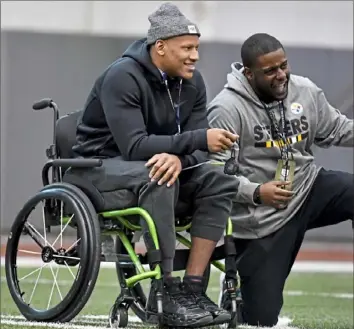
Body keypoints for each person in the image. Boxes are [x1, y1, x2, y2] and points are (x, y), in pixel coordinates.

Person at [69, 2, 238, 328]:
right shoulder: (121, 76)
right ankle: (166, 287)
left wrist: (180, 156)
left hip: (156, 166)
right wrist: (196, 141)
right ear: (160, 47)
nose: (195, 56)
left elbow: (197, 151)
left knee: (220, 180)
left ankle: (191, 288)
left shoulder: (193, 83)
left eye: (197, 48)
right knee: (159, 176)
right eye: (186, 48)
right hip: (97, 168)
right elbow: (134, 146)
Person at [207, 32, 353, 327]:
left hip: (307, 187)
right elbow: (214, 174)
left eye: (284, 65)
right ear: (249, 73)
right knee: (259, 319)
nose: (281, 75)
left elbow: (338, 129)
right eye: (270, 70)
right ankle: (238, 292)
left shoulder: (305, 91)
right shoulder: (226, 108)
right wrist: (256, 192)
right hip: (263, 216)